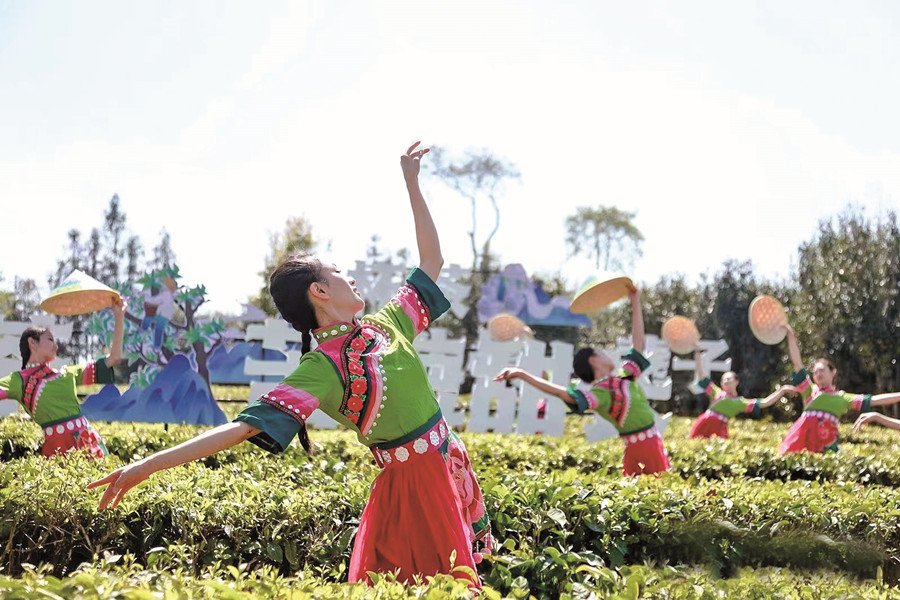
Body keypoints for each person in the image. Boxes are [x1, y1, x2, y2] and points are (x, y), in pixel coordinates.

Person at [88, 142, 491, 587]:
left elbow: (431, 261)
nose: (350, 277)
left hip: (447, 460)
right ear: (318, 291)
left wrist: (412, 184)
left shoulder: (387, 323)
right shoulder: (321, 367)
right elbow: (242, 427)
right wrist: (145, 466)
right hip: (413, 492)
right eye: (338, 272)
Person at [494, 288, 670, 476]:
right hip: (643, 450)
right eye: (601, 353)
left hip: (652, 444)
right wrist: (522, 374)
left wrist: (635, 302)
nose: (606, 354)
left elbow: (638, 343)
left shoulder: (625, 376)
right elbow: (562, 393)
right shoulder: (599, 395)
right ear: (593, 360)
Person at [0, 298, 127, 458]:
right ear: (33, 343)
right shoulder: (18, 381)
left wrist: (119, 317)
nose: (56, 345)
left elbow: (114, 357)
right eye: (50, 339)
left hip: (88, 443)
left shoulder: (67, 373)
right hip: (58, 451)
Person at [779, 323, 900, 453]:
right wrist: (791, 336)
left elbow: (874, 400)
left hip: (826, 443)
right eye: (815, 372)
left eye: (821, 370)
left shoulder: (842, 398)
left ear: (833, 372)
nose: (818, 374)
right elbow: (797, 364)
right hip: (803, 439)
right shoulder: (809, 391)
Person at [688, 349, 794, 439]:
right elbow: (702, 376)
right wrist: (697, 357)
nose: (725, 381)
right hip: (704, 423)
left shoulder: (741, 402)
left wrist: (782, 390)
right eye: (723, 380)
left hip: (719, 427)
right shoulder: (716, 392)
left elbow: (765, 402)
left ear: (736, 381)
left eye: (728, 378)